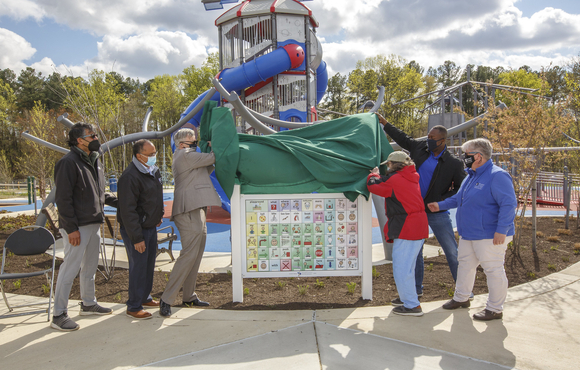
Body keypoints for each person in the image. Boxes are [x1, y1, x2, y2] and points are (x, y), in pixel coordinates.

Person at [377, 113, 465, 298]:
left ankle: (464, 289)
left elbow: (460, 189)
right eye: (428, 136)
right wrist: (385, 123)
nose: (428, 140)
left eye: (432, 138)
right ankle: (416, 290)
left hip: (436, 212)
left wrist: (440, 202)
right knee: (416, 253)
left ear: (442, 141)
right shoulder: (419, 148)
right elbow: (403, 138)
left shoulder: (453, 163)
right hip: (414, 212)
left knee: (451, 250)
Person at [428, 138, 517, 321]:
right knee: (465, 265)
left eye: (466, 155)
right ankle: (461, 298)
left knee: (493, 269)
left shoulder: (497, 175)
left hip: (490, 235)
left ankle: (495, 309)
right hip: (469, 233)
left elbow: (508, 204)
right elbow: (458, 199)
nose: (463, 158)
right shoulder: (471, 175)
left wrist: (502, 229)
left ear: (478, 156)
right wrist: (440, 205)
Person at [52, 123, 118, 331]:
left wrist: (122, 201)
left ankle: (88, 303)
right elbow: (63, 199)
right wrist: (71, 228)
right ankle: (59, 315)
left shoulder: (94, 161)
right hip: (77, 227)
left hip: (93, 223)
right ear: (79, 140)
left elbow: (99, 194)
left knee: (89, 267)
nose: (96, 138)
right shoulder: (68, 163)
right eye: (92, 135)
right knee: (69, 269)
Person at [159, 128, 221, 317]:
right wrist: (216, 145)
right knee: (188, 255)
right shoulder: (185, 155)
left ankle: (189, 295)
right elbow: (213, 158)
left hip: (197, 208)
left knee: (196, 254)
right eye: (191, 140)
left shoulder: (191, 156)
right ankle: (167, 299)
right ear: (181, 144)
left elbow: (208, 167)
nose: (195, 142)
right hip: (188, 210)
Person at [367, 151, 428, 316]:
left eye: (388, 164)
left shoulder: (396, 179)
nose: (387, 167)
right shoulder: (410, 176)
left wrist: (372, 175)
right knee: (408, 266)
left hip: (407, 227)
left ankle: (412, 305)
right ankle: (407, 297)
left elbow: (374, 186)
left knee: (402, 268)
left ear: (395, 164)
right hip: (417, 225)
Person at [117, 139, 164, 320]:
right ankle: (134, 305)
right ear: (139, 156)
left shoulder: (152, 171)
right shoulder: (130, 177)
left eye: (155, 153)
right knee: (138, 266)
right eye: (150, 154)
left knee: (148, 264)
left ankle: (145, 297)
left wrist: (157, 215)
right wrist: (137, 238)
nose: (154, 157)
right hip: (137, 231)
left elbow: (156, 196)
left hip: (150, 227)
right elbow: (128, 211)